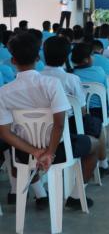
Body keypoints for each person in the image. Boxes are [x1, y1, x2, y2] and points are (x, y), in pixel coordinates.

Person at [0, 33, 98, 209]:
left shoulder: (4, 92)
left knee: (16, 154)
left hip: (25, 153)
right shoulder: (52, 84)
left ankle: (41, 194)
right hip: (59, 150)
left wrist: (35, 151)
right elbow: (59, 124)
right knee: (95, 144)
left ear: (13, 61)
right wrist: (49, 153)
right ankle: (76, 196)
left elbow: (5, 133)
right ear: (38, 58)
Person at [42, 36, 109, 177]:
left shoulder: (37, 77)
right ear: (66, 56)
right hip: (67, 130)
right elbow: (81, 110)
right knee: (96, 125)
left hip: (38, 133)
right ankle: (101, 166)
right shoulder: (71, 79)